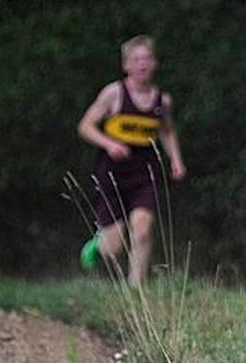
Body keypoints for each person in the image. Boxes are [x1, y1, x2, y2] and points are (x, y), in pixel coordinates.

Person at [77, 34, 186, 287]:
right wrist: (109, 143)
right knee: (113, 248)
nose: (142, 65)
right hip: (112, 173)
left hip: (145, 172)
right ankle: (97, 244)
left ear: (155, 63)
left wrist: (176, 160)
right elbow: (85, 125)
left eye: (147, 59)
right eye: (136, 60)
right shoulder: (113, 94)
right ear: (126, 65)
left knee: (143, 229)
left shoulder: (163, 101)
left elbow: (167, 131)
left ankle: (136, 287)